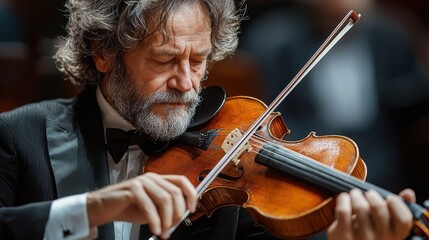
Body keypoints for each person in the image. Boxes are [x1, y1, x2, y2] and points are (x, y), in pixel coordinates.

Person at [0, 0, 417, 239]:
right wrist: (92, 209)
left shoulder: (226, 183)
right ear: (103, 52)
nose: (186, 83)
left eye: (198, 61)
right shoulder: (20, 136)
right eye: (164, 60)